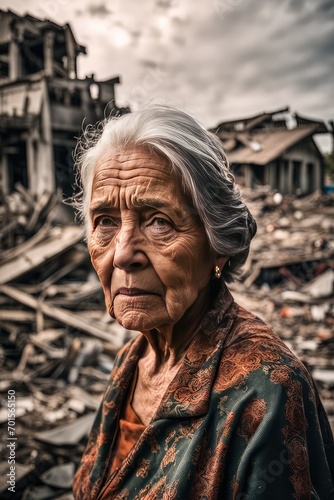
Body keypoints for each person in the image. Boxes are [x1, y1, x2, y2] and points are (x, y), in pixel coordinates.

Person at [72, 105, 333, 499]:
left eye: (159, 220)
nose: (123, 253)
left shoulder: (268, 393)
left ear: (218, 245)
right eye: (105, 221)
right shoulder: (134, 359)